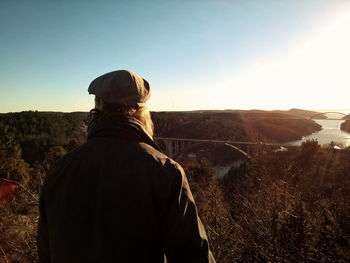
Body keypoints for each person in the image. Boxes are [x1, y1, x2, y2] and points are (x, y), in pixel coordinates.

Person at [37, 70, 216, 263]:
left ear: (98, 105)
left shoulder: (60, 169)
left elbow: (45, 252)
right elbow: (194, 256)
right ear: (141, 111)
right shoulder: (164, 172)